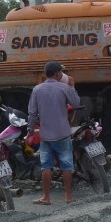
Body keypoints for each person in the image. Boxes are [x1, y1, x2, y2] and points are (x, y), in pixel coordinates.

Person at [27, 60, 81, 205]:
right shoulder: (64, 88)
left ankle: (46, 197)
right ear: (57, 74)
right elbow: (76, 104)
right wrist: (72, 87)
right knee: (67, 165)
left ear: (45, 74)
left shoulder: (37, 90)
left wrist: (30, 132)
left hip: (46, 135)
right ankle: (68, 196)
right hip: (62, 133)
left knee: (46, 166)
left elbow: (32, 114)